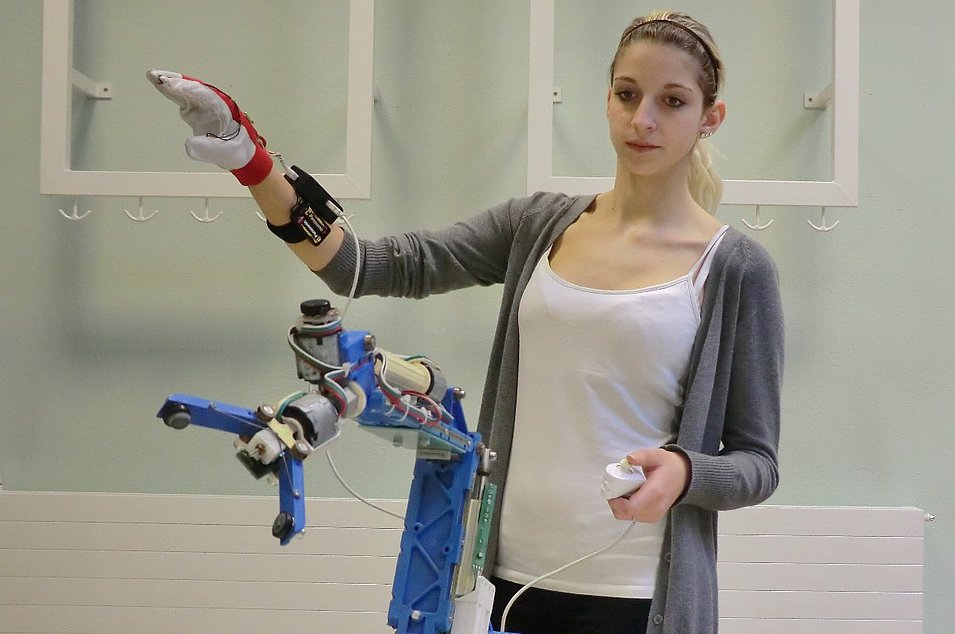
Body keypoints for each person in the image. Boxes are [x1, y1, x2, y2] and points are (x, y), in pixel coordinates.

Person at [148, 9, 783, 634]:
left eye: (672, 101)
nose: (642, 119)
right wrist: (251, 161)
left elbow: (757, 464)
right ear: (608, 99)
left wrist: (686, 472)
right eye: (627, 94)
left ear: (710, 117)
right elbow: (360, 266)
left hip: (641, 598)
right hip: (502, 585)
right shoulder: (537, 226)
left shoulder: (734, 268)